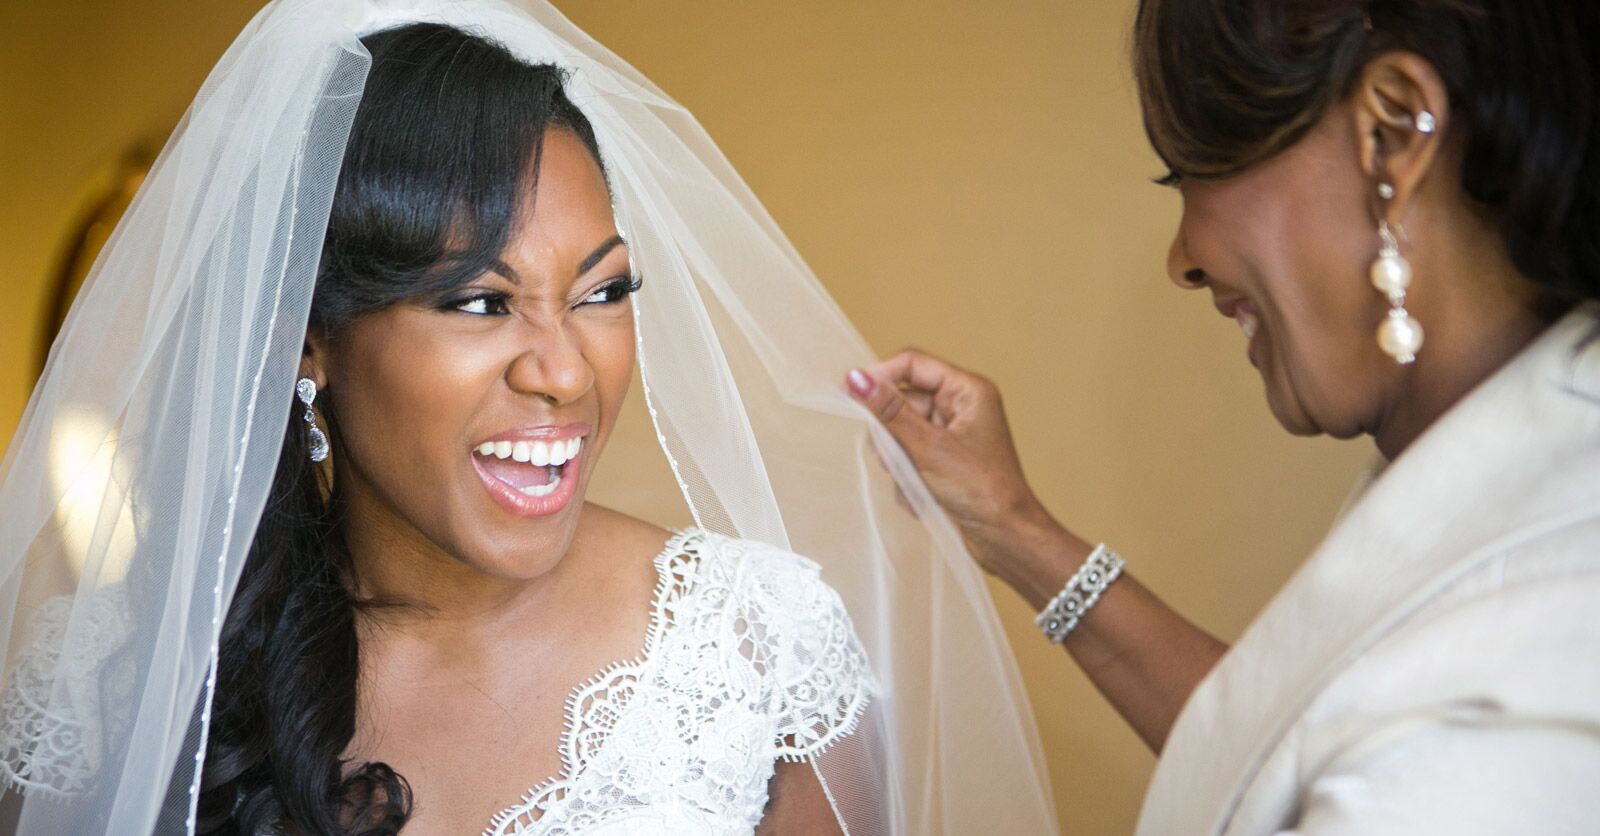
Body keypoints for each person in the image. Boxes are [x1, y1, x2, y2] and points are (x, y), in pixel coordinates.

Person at [0, 2, 1058, 834]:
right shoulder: (104, 680)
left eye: (601, 292)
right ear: (307, 337)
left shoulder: (753, 651)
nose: (565, 372)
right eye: (479, 302)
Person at [848, 1, 1600, 833]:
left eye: (1190, 175)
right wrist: (1014, 529)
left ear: (1393, 132)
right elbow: (1284, 754)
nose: (1184, 260)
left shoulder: (1533, 647)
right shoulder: (1510, 462)